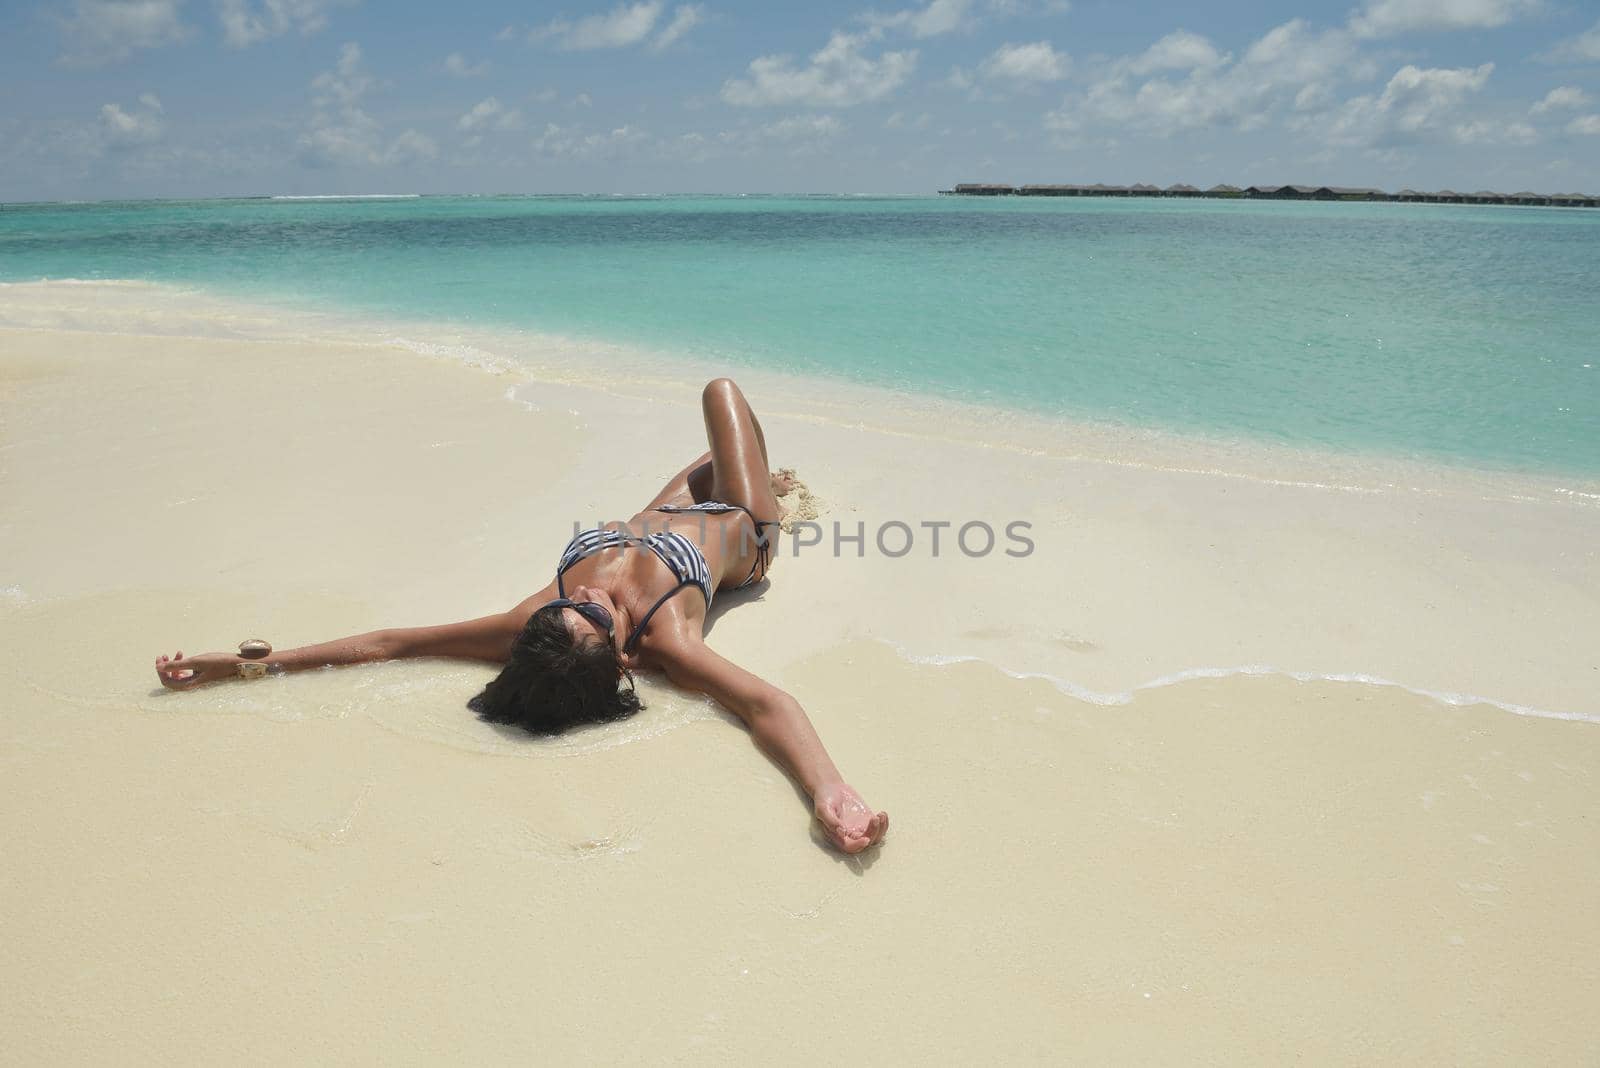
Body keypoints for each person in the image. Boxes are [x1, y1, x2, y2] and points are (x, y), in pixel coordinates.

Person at [155, 378, 889, 855]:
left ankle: (763, 475)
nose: (588, 599)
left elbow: (387, 643)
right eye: (594, 620)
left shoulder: (535, 622)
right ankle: (772, 496)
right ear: (620, 660)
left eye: (572, 605)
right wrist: (831, 792)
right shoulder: (670, 638)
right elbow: (768, 705)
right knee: (724, 394)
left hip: (668, 508)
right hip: (741, 530)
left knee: (710, 453)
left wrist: (250, 662)